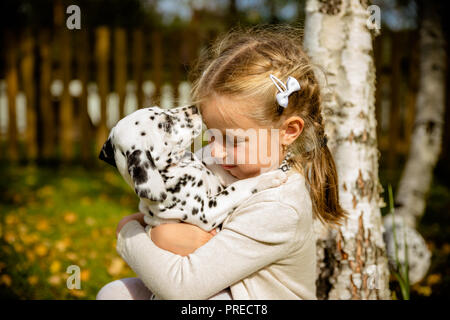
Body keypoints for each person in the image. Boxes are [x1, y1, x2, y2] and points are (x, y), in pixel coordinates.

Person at [96, 24, 348, 300]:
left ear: (288, 131)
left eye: (233, 141)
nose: (215, 151)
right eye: (211, 134)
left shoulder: (280, 206)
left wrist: (128, 233)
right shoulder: (224, 165)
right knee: (115, 294)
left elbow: (181, 289)